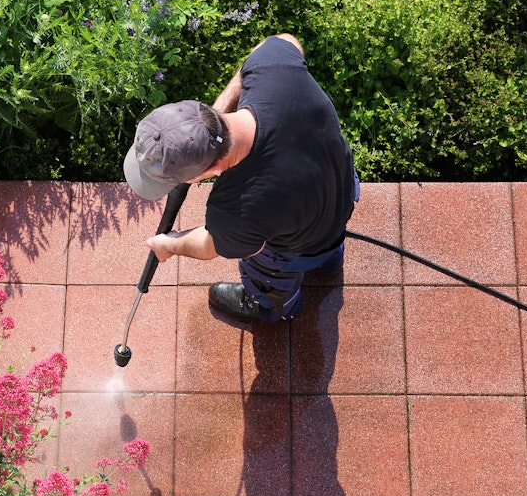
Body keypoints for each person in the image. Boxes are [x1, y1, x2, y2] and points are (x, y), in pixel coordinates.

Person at [122, 33, 360, 322]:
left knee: (267, 268)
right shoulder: (272, 67)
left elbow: (210, 245)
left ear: (210, 172)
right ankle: (331, 261)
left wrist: (169, 245)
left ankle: (271, 306)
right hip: (342, 191)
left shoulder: (237, 209)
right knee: (327, 241)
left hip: (299, 245)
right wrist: (217, 114)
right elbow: (284, 40)